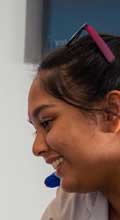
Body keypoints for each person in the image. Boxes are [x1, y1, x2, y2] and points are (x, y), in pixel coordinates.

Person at [28, 24, 120, 220]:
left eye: (46, 122)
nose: (36, 148)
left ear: (111, 113)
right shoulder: (73, 205)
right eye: (35, 130)